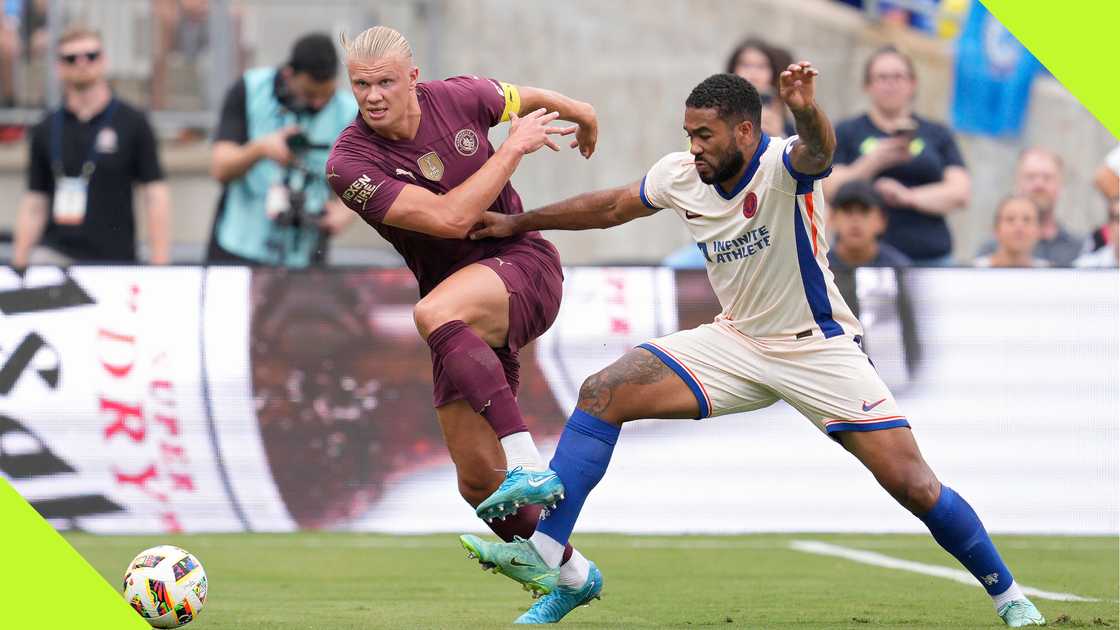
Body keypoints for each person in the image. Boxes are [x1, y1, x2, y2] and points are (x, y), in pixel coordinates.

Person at [461, 69, 1044, 627]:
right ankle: (551, 559)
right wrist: (520, 224)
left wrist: (807, 109)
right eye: (689, 135)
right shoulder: (680, 175)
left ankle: (1010, 597)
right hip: (735, 339)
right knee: (602, 391)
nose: (694, 148)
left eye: (705, 135)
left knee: (913, 484)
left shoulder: (783, 164)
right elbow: (613, 205)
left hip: (816, 347)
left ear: (745, 130)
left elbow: (819, 150)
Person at [323, 26, 600, 616]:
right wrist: (512, 149)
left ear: (414, 78)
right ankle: (573, 576)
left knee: (431, 311)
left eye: (385, 82)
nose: (372, 96)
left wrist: (583, 115)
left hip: (524, 266)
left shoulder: (462, 96)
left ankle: (529, 462)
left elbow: (525, 98)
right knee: (477, 483)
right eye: (361, 84)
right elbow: (449, 220)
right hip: (460, 310)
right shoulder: (350, 164)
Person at [11, 26, 170, 267]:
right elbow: (35, 202)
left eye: (91, 56)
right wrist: (19, 265)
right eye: (71, 58)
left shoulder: (132, 122)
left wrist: (160, 263)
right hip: (56, 256)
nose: (82, 64)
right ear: (59, 67)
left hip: (116, 258)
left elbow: (155, 194)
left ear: (104, 60)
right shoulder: (46, 127)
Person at [207, 33, 357, 267]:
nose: (317, 104)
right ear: (289, 75)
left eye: (325, 97)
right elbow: (220, 167)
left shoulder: (348, 112)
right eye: (309, 94)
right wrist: (260, 149)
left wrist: (347, 212)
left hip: (306, 256)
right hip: (238, 247)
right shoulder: (250, 89)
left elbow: (374, 177)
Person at [828, 45, 970, 266]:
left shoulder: (937, 133)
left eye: (898, 77)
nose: (890, 84)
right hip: (861, 259)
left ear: (912, 84)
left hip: (928, 256)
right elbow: (828, 188)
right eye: (882, 77)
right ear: (867, 85)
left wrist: (908, 197)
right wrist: (873, 162)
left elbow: (960, 192)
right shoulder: (847, 131)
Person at [975, 148, 1082, 267]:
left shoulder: (1079, 250)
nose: (1039, 185)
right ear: (1017, 183)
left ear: (1060, 184)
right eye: (1031, 177)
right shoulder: (991, 249)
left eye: (1047, 177)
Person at [827, 179, 911, 271]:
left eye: (864, 211)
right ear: (832, 218)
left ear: (882, 220)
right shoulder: (818, 266)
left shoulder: (900, 269)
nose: (855, 220)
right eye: (847, 211)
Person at [725, 37, 794, 138]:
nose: (753, 73)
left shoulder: (781, 120)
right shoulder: (715, 110)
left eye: (761, 66)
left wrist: (778, 136)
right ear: (733, 69)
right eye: (746, 65)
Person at [973, 196, 1049, 268]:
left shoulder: (1051, 274)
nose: (1019, 227)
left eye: (1027, 220)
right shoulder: (972, 273)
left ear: (1039, 230)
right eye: (1010, 219)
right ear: (996, 229)